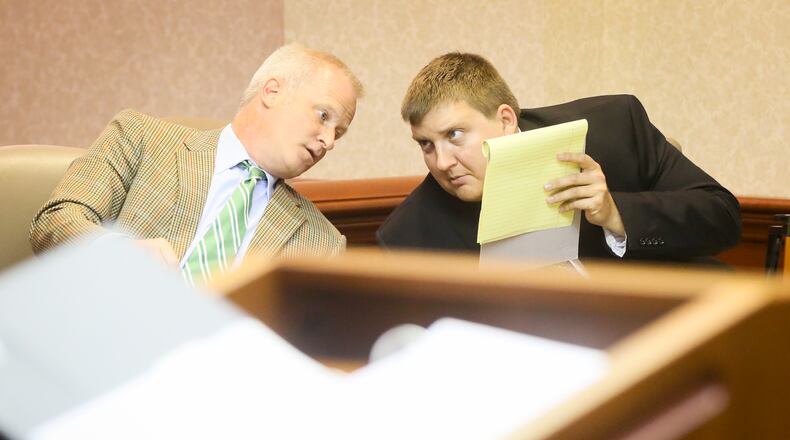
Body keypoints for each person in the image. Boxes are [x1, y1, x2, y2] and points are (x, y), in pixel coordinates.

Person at [30, 44, 363, 283]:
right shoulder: (143, 138)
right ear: (272, 92)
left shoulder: (323, 243)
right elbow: (55, 221)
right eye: (323, 116)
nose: (329, 141)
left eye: (340, 132)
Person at [377, 52, 741, 264]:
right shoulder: (408, 237)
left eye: (454, 135)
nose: (441, 162)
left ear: (505, 120)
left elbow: (722, 216)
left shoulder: (615, 127)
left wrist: (616, 213)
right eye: (425, 144)